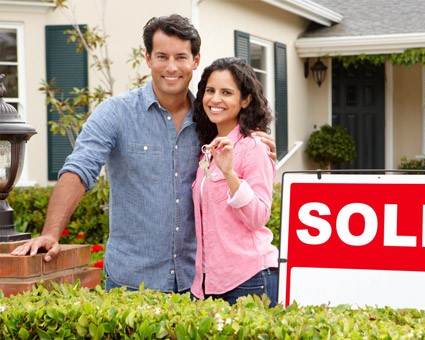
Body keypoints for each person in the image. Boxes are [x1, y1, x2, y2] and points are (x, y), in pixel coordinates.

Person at [11, 14, 276, 294]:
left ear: (195, 61)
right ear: (148, 58)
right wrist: (51, 233)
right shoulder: (115, 113)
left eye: (181, 57)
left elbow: (243, 157)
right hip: (132, 283)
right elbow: (80, 168)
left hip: (196, 284)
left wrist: (255, 140)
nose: (171, 67)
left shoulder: (211, 120)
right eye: (162, 56)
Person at [190, 57, 279, 306]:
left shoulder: (254, 147)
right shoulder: (206, 151)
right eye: (210, 91)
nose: (215, 99)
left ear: (245, 100)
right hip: (208, 284)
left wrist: (230, 174)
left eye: (226, 92)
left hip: (250, 279)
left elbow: (258, 217)